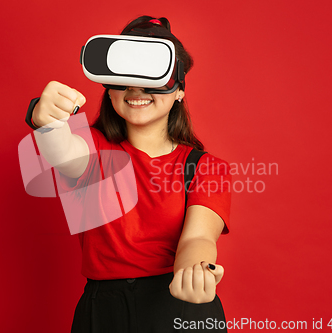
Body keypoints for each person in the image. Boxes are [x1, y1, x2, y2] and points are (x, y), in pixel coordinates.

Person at [29, 16, 231, 333]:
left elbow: (198, 236)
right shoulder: (92, 149)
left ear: (179, 90)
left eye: (152, 76)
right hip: (102, 311)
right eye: (124, 76)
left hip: (177, 306)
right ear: (109, 88)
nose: (136, 88)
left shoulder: (206, 167)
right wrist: (47, 122)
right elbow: (65, 154)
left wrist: (194, 270)